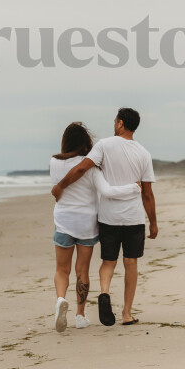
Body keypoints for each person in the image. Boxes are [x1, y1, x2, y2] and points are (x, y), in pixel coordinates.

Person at [51, 108, 157, 327]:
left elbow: (80, 169)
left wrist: (60, 186)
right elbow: (146, 193)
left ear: (120, 123)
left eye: (115, 120)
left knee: (101, 263)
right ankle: (116, 314)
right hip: (126, 218)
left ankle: (93, 294)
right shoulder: (144, 153)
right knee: (126, 263)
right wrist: (153, 221)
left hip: (97, 218)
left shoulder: (101, 147)